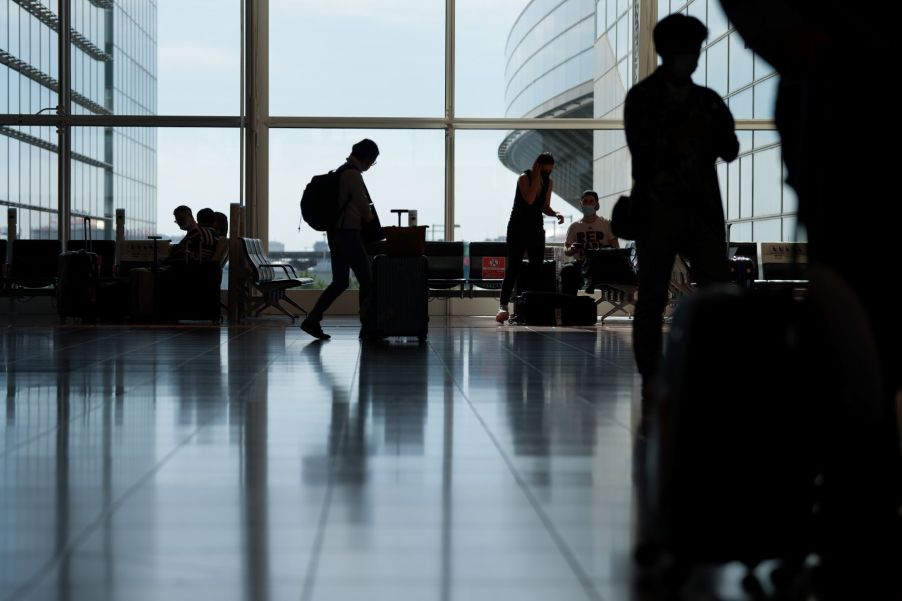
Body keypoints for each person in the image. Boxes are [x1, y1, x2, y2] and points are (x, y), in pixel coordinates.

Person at [717, 3, 901, 596]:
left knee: (857, 375)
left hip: (852, 236)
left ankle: (854, 533)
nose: (755, 48)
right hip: (850, 236)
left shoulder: (823, 86)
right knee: (863, 377)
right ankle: (858, 532)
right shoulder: (816, 84)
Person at [624, 14, 739, 397]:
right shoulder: (651, 99)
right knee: (654, 294)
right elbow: (645, 157)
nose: (696, 58)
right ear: (672, 52)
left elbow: (731, 147)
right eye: (692, 50)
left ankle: (707, 370)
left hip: (694, 211)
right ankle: (653, 376)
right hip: (663, 211)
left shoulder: (697, 101)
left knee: (711, 292)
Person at [301, 139, 379, 341]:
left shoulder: (340, 171)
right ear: (368, 158)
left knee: (340, 281)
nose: (371, 166)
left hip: (335, 235)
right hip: (349, 235)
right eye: (373, 161)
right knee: (367, 280)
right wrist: (370, 218)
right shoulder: (352, 174)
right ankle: (368, 326)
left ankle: (312, 320)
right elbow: (363, 207)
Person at [495, 152, 564, 323]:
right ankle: (503, 305)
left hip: (535, 228)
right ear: (537, 166)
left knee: (537, 268)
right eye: (544, 171)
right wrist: (535, 176)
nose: (546, 175)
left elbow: (544, 206)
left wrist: (555, 213)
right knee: (514, 268)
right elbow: (530, 199)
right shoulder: (524, 178)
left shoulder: (548, 183)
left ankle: (533, 306)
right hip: (517, 228)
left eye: (549, 172)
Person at [560, 190, 619, 296]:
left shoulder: (606, 224)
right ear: (581, 204)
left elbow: (616, 248)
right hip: (581, 264)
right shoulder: (574, 226)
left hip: (601, 264)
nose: (588, 204)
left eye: (591, 201)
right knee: (567, 270)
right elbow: (566, 249)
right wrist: (571, 249)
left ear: (596, 204)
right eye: (585, 201)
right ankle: (569, 306)